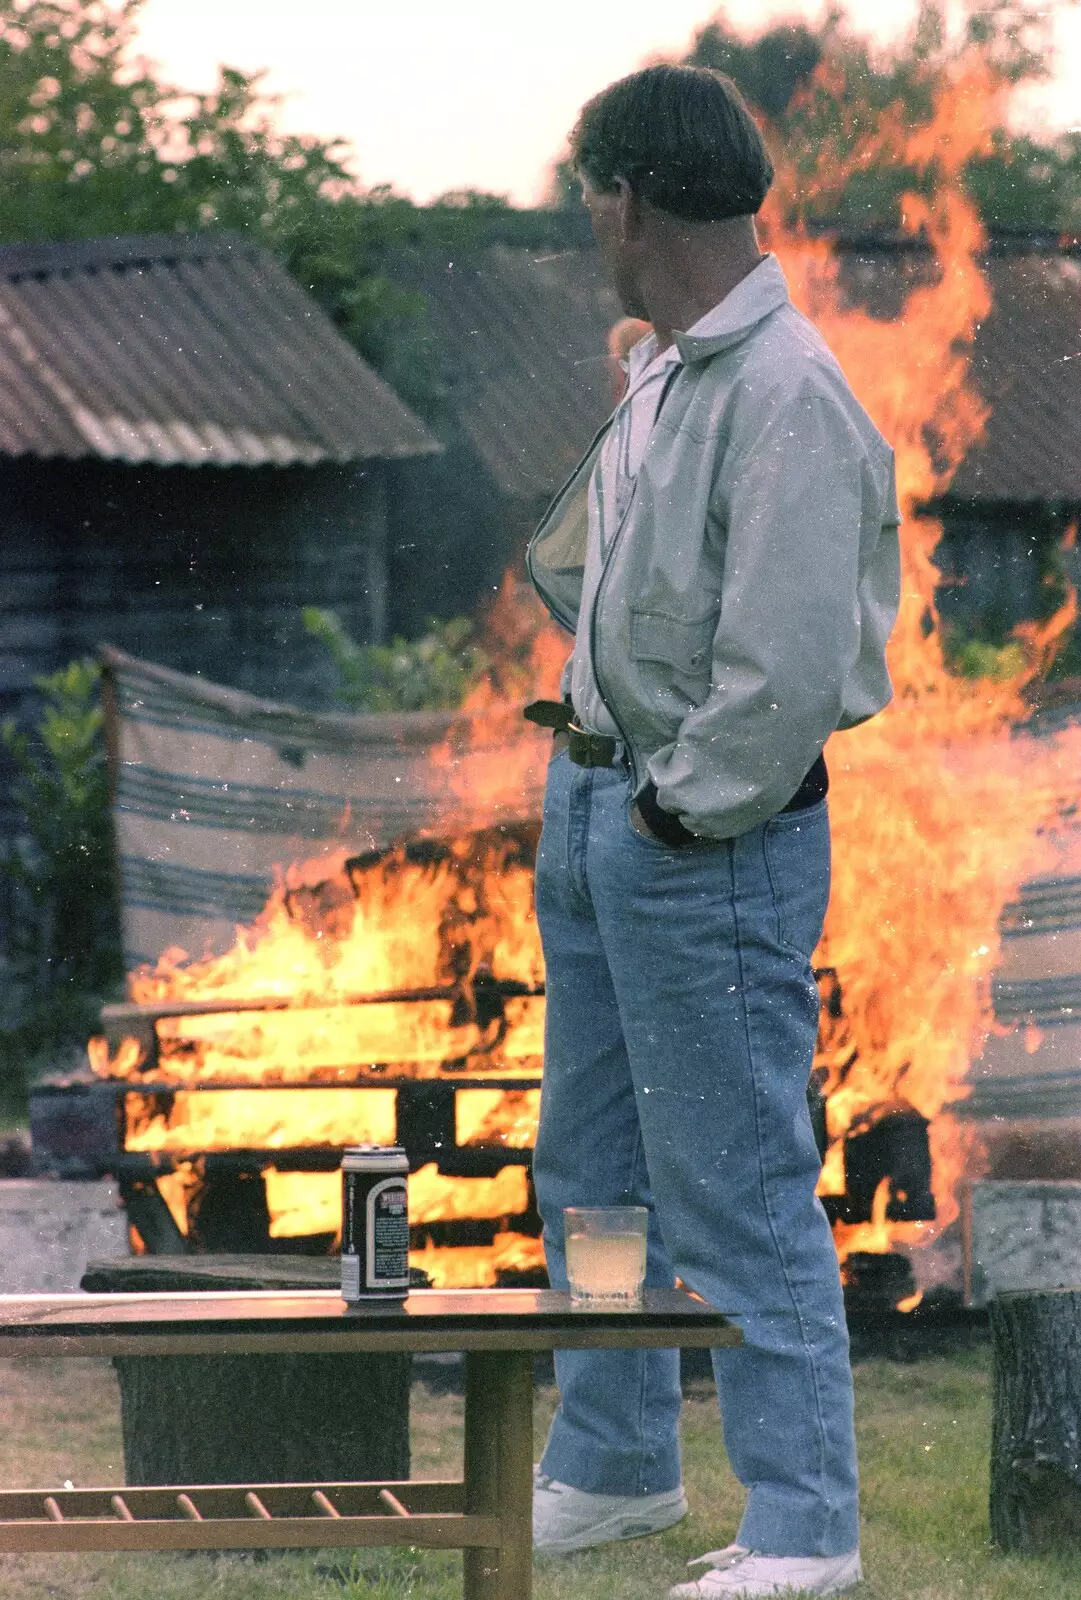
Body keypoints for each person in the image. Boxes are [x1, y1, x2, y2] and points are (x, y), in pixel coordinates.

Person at [523, 64, 901, 1599]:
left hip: (699, 832)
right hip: (604, 804)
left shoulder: (785, 391)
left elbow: (788, 667)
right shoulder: (679, 370)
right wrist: (599, 791)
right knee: (592, 1166)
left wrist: (674, 811)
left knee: (737, 1178)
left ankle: (809, 1532)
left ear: (625, 198)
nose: (587, 228)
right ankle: (614, 1466)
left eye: (588, 203)